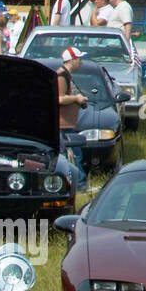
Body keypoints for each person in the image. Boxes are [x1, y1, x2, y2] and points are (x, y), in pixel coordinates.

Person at [56, 46, 89, 191]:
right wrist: (76, 98)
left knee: (75, 154)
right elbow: (60, 99)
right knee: (73, 155)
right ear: (72, 60)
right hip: (63, 125)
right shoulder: (61, 76)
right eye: (79, 59)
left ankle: (77, 183)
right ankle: (79, 184)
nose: (81, 62)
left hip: (69, 124)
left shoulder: (67, 75)